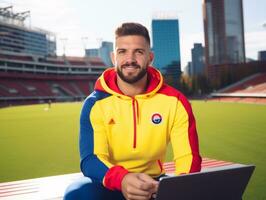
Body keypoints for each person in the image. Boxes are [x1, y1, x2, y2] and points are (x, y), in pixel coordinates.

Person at [64, 22, 201, 200]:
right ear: (114, 58)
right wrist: (123, 179)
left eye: (139, 51)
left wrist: (180, 187)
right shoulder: (94, 104)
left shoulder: (175, 101)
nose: (130, 59)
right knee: (76, 194)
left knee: (217, 191)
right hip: (112, 185)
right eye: (123, 52)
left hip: (155, 184)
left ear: (150, 58)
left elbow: (188, 156)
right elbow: (91, 159)